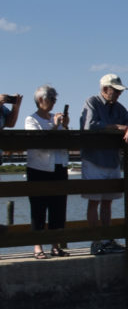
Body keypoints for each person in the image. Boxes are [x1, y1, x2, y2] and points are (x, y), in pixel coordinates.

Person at [80, 74, 128, 256]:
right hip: (94, 159)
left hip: (112, 160)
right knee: (94, 201)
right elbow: (90, 125)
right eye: (116, 91)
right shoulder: (92, 102)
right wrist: (117, 127)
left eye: (120, 91)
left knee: (107, 203)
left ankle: (107, 239)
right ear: (105, 89)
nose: (119, 94)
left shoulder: (118, 107)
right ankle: (95, 241)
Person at [24, 85, 69, 259]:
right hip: (39, 169)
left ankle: (55, 245)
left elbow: (65, 140)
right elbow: (39, 143)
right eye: (51, 99)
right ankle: (38, 247)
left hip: (59, 167)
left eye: (55, 99)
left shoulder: (55, 119)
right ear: (41, 100)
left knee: (58, 208)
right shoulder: (31, 119)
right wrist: (55, 127)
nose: (53, 103)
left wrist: (64, 126)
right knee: (38, 208)